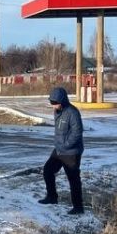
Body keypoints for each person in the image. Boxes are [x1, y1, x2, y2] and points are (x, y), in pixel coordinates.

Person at [40, 86, 85, 214]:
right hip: (59, 150)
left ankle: (78, 207)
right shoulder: (58, 111)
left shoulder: (73, 112)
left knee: (73, 179)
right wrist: (60, 145)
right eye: (51, 103)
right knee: (48, 170)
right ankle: (52, 197)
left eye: (55, 103)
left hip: (71, 152)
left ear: (62, 101)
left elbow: (77, 133)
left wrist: (65, 144)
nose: (53, 106)